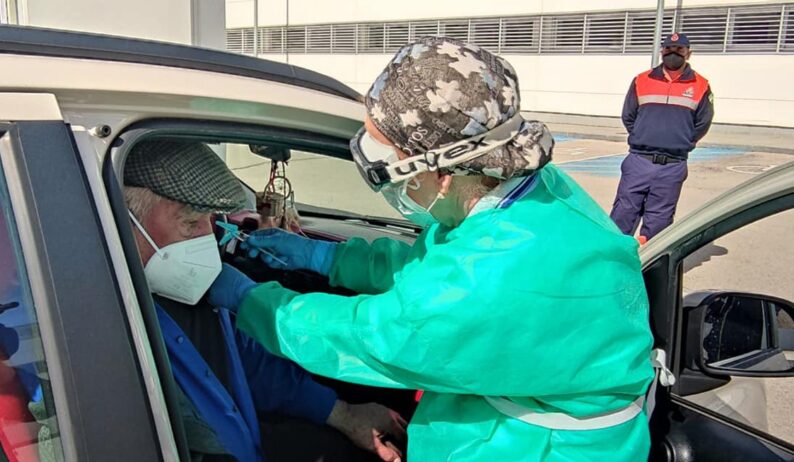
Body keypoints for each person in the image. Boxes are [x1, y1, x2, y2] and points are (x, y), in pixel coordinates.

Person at [208, 37, 656, 461]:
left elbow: (369, 338)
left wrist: (251, 300)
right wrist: (328, 258)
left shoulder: (490, 279)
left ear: (443, 173)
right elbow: (435, 265)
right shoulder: (527, 189)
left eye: (388, 162)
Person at [122, 139, 407, 462]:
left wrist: (344, 414)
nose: (209, 238)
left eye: (211, 220)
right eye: (190, 222)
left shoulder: (181, 291)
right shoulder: (109, 319)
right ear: (126, 219)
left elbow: (251, 365)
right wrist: (254, 299)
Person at [610, 33, 714, 243]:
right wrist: (643, 135)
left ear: (688, 53)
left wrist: (682, 141)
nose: (673, 53)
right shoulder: (642, 80)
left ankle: (649, 259)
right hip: (639, 160)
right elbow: (629, 116)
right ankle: (615, 256)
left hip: (673, 165)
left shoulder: (701, 84)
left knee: (659, 221)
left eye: (679, 50)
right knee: (623, 213)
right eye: (668, 49)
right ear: (662, 51)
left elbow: (703, 122)